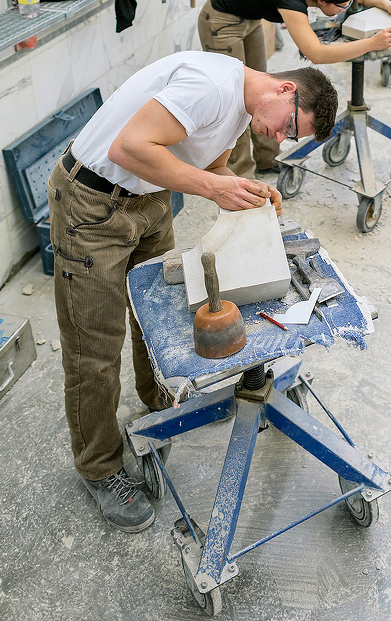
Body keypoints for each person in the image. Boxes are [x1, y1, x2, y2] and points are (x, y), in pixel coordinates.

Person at [47, 51, 338, 533]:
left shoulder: (245, 106)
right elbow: (129, 149)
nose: (281, 139)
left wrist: (242, 187)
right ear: (286, 89)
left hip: (149, 199)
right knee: (93, 347)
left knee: (153, 315)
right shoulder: (210, 85)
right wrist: (209, 189)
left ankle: (156, 401)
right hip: (93, 205)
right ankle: (99, 468)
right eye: (290, 126)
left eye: (292, 137)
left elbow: (213, 165)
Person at [198, 0, 391, 176]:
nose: (347, 8)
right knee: (237, 100)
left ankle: (268, 159)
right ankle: (241, 176)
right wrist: (371, 44)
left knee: (262, 91)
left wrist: (385, 3)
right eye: (342, 6)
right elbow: (315, 53)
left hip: (249, 18)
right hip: (221, 21)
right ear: (321, 1)